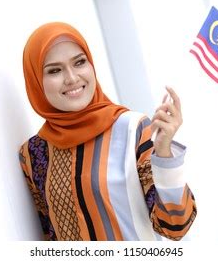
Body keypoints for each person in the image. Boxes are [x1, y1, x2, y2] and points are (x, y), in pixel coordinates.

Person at [19, 22, 197, 241]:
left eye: (79, 62)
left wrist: (163, 153)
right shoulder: (33, 153)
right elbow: (49, 236)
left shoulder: (133, 129)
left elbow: (175, 225)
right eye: (55, 70)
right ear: (36, 80)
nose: (72, 78)